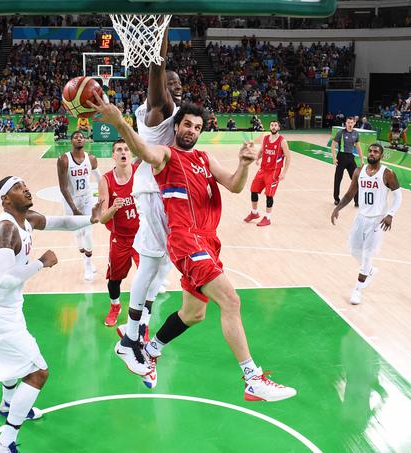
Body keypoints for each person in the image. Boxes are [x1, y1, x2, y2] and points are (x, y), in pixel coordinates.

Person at [90, 96, 297, 402]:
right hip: (186, 240)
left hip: (208, 241)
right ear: (176, 126)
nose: (191, 130)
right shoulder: (166, 156)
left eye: (197, 127)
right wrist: (119, 122)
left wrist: (244, 164)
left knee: (194, 313)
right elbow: (142, 150)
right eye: (187, 124)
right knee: (231, 301)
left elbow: (236, 185)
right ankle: (252, 378)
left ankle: (148, 350)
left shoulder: (203, 158)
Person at [0, 176, 102, 453]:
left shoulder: (26, 218)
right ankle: (4, 444)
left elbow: (62, 223)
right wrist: (42, 263)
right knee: (38, 372)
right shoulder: (5, 230)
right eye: (17, 187)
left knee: (12, 360)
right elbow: (5, 279)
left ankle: (8, 403)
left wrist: (94, 218)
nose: (26, 188)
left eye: (25, 184)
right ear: (5, 200)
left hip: (5, 306)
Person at [113, 34, 181, 381]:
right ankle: (129, 336)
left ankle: (137, 330)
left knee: (160, 268)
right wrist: (160, 35)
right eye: (171, 85)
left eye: (179, 85)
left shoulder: (168, 111)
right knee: (151, 263)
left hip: (165, 194)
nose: (176, 89)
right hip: (154, 193)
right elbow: (157, 70)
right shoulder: (159, 110)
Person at [331, 144, 402, 305]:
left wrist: (390, 214)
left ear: (381, 156)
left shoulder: (388, 174)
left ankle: (357, 289)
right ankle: (370, 270)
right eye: (370, 151)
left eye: (376, 152)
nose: (372, 153)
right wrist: (338, 208)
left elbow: (398, 196)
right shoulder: (359, 171)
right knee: (354, 250)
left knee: (367, 254)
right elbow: (350, 193)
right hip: (361, 217)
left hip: (377, 220)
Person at [98, 139, 141, 329]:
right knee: (115, 280)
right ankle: (115, 306)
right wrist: (114, 208)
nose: (123, 152)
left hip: (142, 237)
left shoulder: (140, 174)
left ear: (130, 154)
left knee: (145, 280)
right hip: (120, 238)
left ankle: (142, 320)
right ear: (113, 156)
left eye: (126, 149)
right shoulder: (106, 180)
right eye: (118, 150)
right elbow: (102, 217)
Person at [56, 130, 101, 281]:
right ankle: (84, 256)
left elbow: (101, 180)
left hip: (87, 199)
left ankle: (88, 264)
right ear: (71, 141)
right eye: (76, 137)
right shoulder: (64, 160)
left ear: (85, 140)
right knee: (78, 234)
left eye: (81, 137)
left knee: (88, 232)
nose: (79, 138)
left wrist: (105, 197)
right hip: (71, 201)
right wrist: (74, 209)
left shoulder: (92, 159)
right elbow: (63, 187)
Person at [243, 120, 291, 227]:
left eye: (275, 125)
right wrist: (257, 158)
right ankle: (254, 213)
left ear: (278, 128)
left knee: (269, 195)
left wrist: (284, 173)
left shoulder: (282, 141)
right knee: (253, 190)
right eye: (272, 125)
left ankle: (267, 218)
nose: (273, 127)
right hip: (263, 169)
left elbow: (288, 157)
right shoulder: (265, 138)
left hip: (274, 171)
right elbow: (261, 150)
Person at [331, 116, 364, 207]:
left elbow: (358, 147)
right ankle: (336, 199)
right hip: (341, 157)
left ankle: (357, 201)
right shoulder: (340, 133)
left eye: (351, 123)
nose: (350, 124)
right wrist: (334, 158)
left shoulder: (356, 134)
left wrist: (361, 159)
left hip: (350, 158)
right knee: (338, 179)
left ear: (354, 123)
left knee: (355, 180)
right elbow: (333, 146)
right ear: (345, 123)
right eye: (348, 123)